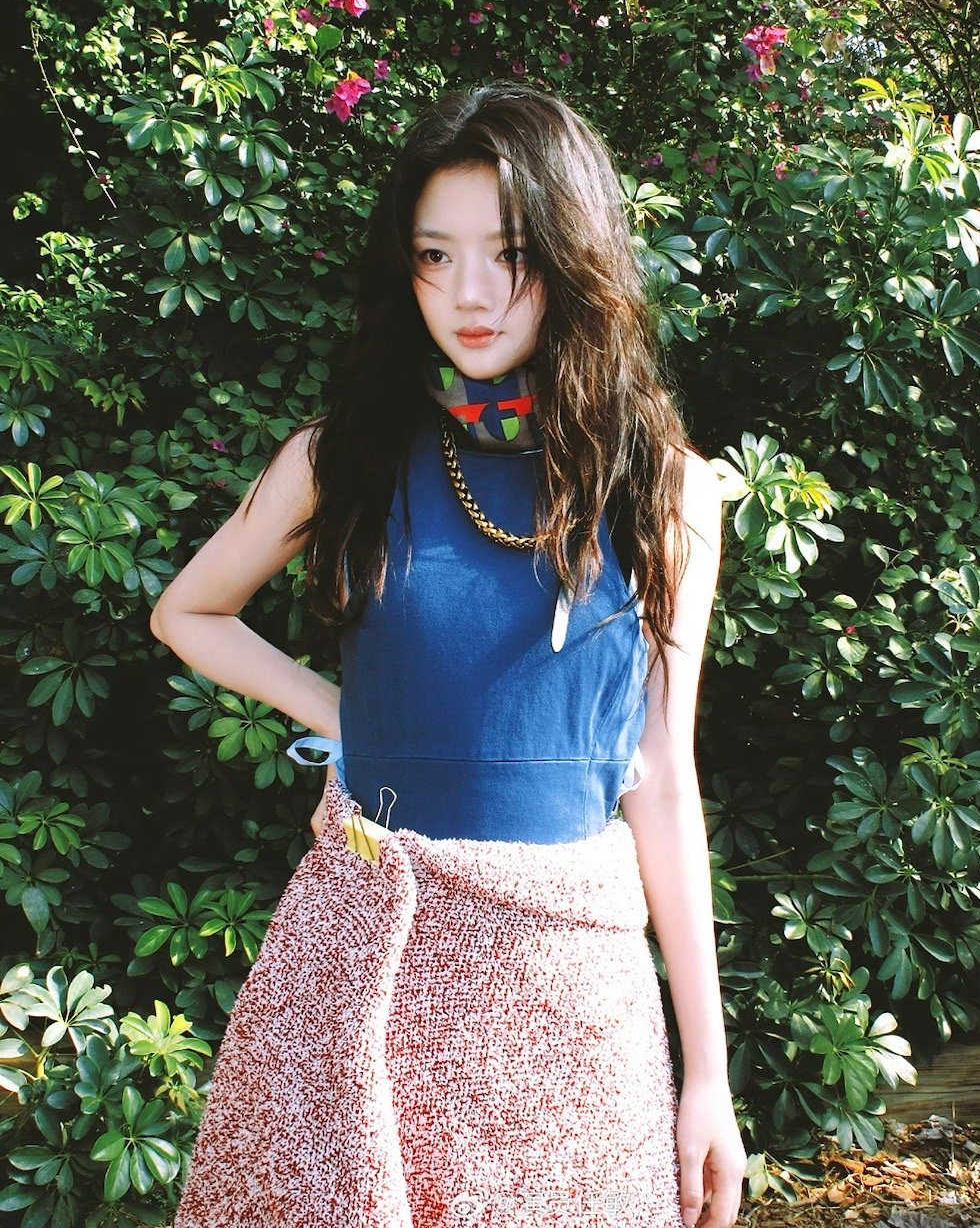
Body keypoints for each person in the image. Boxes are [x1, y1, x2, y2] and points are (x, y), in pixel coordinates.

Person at [150, 80, 747, 1228]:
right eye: (434, 256)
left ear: (574, 255)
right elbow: (190, 613)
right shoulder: (345, 456)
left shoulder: (666, 490)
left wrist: (708, 1077)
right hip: (364, 977)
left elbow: (663, 779)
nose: (469, 294)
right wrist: (349, 717)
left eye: (509, 254)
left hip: (572, 1002)